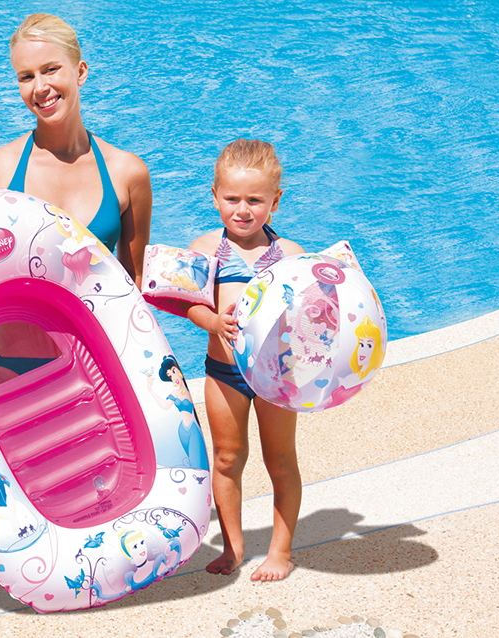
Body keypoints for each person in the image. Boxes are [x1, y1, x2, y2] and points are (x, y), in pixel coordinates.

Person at [0, 13, 152, 384]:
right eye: (26, 76)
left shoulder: (127, 173)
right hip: (5, 369)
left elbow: (134, 283)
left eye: (51, 70)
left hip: (94, 373)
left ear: (80, 72)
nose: (40, 87)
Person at [187, 138, 305, 581]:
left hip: (276, 375)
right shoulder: (204, 247)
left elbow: (310, 312)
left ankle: (281, 551)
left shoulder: (291, 255)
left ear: (275, 200)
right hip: (224, 373)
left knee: (281, 459)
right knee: (226, 458)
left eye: (255, 200)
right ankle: (233, 547)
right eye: (232, 198)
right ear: (214, 196)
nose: (242, 209)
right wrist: (213, 321)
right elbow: (190, 303)